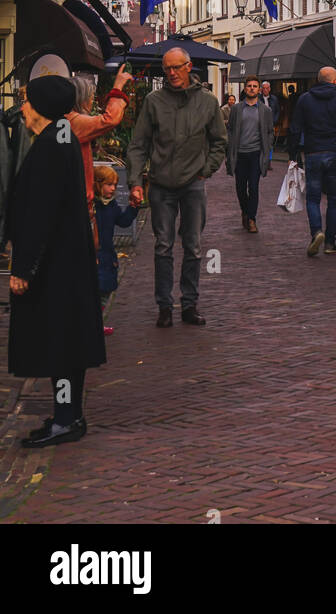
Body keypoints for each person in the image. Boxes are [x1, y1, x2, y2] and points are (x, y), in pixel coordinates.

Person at [8, 76, 105, 448]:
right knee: (67, 341)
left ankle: (67, 419)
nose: (25, 111)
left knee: (59, 343)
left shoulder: (51, 144)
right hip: (68, 259)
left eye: (29, 103)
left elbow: (40, 212)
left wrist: (23, 267)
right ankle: (68, 414)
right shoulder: (62, 136)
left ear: (42, 106)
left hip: (55, 265)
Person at [127, 48, 227, 327]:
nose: (171, 73)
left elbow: (220, 141)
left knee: (194, 247)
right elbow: (138, 145)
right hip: (161, 185)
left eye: (176, 68)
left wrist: (204, 172)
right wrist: (135, 181)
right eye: (166, 68)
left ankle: (189, 304)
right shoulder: (153, 101)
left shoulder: (207, 102)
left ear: (188, 66)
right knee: (162, 246)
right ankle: (164, 306)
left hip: (193, 184)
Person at [288, 66, 336, 257]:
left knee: (313, 197)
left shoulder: (305, 99)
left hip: (313, 152)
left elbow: (295, 128)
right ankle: (330, 242)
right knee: (334, 198)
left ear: (318, 80)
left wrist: (292, 154)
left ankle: (316, 232)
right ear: (335, 81)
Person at [69, 68, 134, 244]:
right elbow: (109, 119)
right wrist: (118, 87)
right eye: (90, 96)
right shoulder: (73, 121)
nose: (92, 100)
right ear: (81, 99)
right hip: (76, 206)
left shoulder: (66, 121)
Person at [226, 75, 273, 233]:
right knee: (240, 188)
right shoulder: (237, 109)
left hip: (255, 154)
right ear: (245, 89)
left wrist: (267, 147)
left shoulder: (265, 110)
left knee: (253, 187)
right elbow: (231, 130)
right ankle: (245, 211)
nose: (252, 88)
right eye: (249, 86)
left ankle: (252, 219)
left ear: (259, 90)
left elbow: (269, 131)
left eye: (254, 86)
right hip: (240, 154)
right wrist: (230, 150)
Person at [93, 164, 139, 302]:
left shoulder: (111, 205)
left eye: (115, 184)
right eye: (109, 184)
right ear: (98, 184)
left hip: (107, 255)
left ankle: (99, 322)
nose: (113, 188)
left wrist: (133, 207)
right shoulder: (91, 206)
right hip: (94, 255)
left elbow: (123, 221)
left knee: (105, 291)